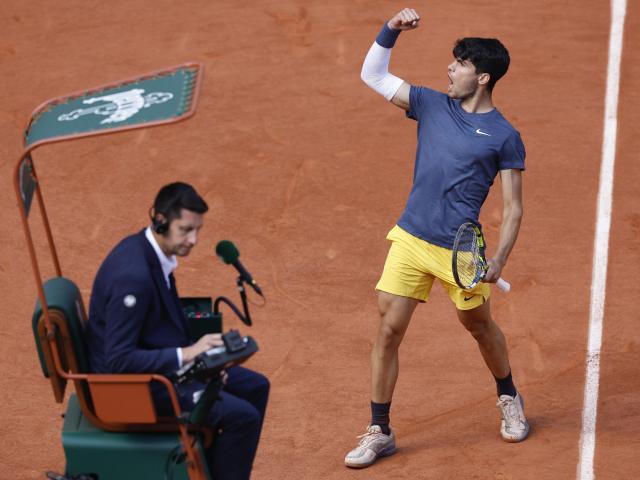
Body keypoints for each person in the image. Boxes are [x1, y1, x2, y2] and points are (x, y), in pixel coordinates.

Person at [344, 8, 528, 469]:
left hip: (458, 250)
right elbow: (373, 73)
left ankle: (507, 394)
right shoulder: (429, 103)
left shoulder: (504, 136)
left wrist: (500, 260)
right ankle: (379, 429)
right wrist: (391, 29)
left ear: (482, 77)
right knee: (388, 330)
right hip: (410, 236)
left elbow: (514, 207)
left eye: (460, 63)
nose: (450, 68)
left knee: (479, 327)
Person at [85, 182, 269, 480]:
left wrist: (206, 360)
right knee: (243, 419)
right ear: (160, 221)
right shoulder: (133, 279)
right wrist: (188, 354)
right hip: (136, 389)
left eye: (197, 230)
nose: (193, 239)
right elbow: (119, 361)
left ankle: (212, 469)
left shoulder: (149, 251)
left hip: (162, 365)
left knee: (256, 387)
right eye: (185, 229)